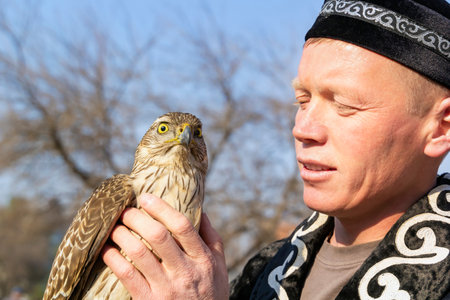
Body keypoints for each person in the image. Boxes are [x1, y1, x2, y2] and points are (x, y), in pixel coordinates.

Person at [102, 0, 450, 298]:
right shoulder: (261, 273)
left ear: (441, 128)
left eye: (344, 105)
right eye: (303, 100)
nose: (303, 129)